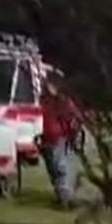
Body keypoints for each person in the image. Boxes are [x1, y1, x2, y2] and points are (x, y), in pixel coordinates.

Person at [40, 79, 84, 209]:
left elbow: (76, 117)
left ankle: (65, 198)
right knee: (54, 169)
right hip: (47, 138)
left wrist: (74, 131)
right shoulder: (44, 101)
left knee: (59, 168)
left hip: (58, 137)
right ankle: (63, 197)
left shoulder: (61, 101)